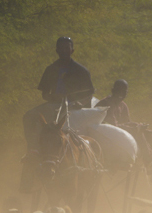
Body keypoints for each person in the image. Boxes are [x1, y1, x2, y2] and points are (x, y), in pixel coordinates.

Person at [20, 37, 95, 193]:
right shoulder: (51, 69)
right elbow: (44, 94)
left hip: (73, 105)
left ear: (72, 50)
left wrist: (80, 102)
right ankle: (32, 148)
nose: (64, 51)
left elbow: (90, 93)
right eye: (60, 49)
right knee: (28, 116)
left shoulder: (81, 70)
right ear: (56, 51)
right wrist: (53, 98)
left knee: (67, 129)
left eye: (67, 48)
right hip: (54, 104)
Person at [96, 79, 152, 184]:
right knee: (138, 132)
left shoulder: (123, 105)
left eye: (124, 92)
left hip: (119, 135)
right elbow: (112, 126)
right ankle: (151, 163)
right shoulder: (107, 103)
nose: (121, 94)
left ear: (126, 93)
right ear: (113, 90)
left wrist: (138, 125)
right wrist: (135, 129)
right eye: (119, 91)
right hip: (107, 137)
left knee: (148, 133)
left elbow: (127, 122)